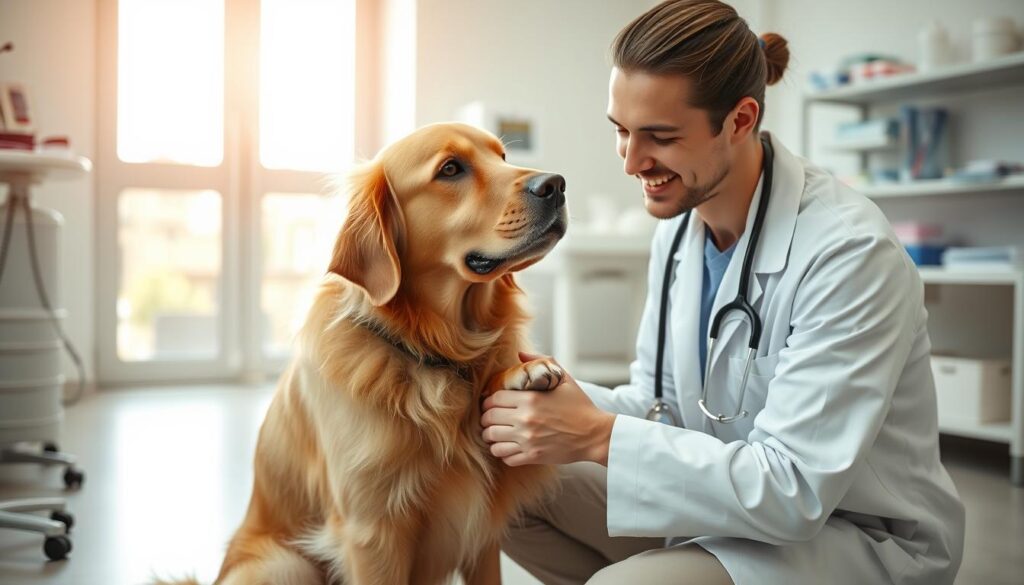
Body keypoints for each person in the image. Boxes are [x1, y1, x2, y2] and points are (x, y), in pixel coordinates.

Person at [478, 1, 966, 583]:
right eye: (621, 131)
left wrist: (594, 434)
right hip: (725, 511)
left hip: (853, 534)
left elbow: (794, 489)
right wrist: (563, 401)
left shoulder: (849, 253)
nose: (632, 162)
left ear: (739, 120)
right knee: (505, 487)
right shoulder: (682, 231)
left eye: (659, 136)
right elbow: (663, 407)